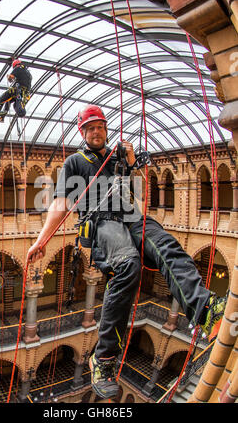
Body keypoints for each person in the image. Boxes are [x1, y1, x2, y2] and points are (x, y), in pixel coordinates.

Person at [26, 104, 227, 399]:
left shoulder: (117, 157)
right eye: (90, 127)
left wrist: (132, 162)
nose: (97, 132)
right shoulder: (74, 162)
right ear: (82, 132)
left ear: (106, 129)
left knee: (166, 244)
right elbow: (59, 204)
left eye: (101, 127)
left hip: (131, 218)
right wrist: (41, 241)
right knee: (128, 264)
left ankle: (205, 309)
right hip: (101, 222)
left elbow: (136, 186)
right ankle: (103, 359)